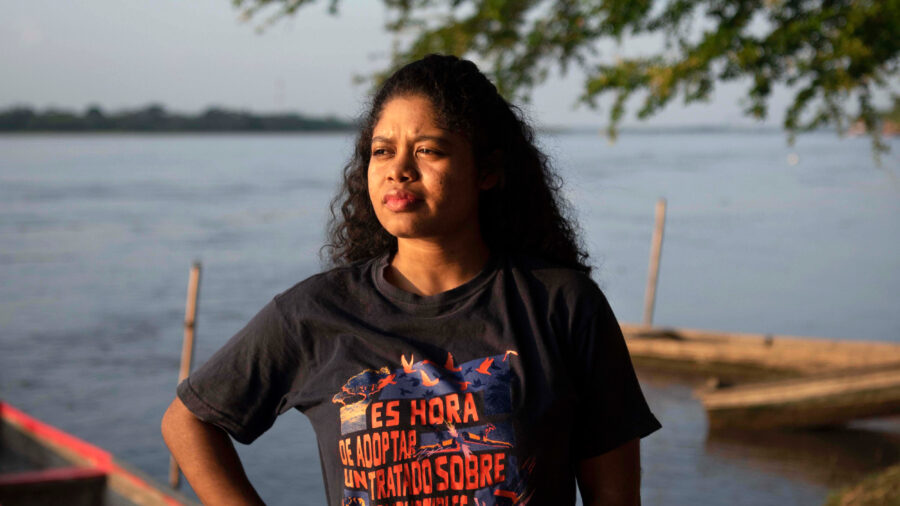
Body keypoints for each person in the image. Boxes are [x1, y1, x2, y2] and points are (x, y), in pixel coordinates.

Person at [162, 54, 660, 506]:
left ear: (486, 171)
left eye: (428, 150)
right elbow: (189, 422)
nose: (399, 170)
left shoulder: (560, 306)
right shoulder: (315, 313)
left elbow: (613, 494)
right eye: (382, 151)